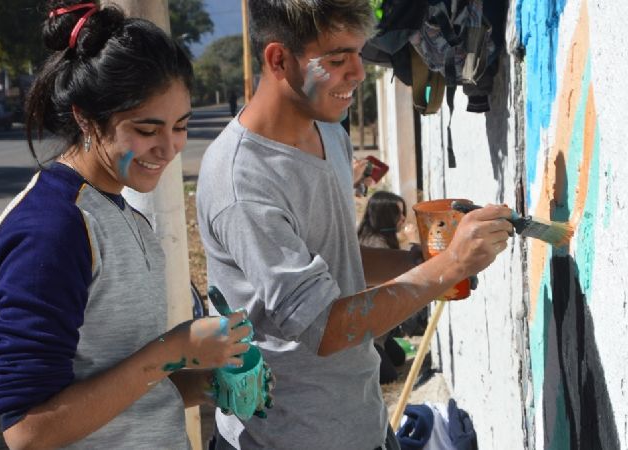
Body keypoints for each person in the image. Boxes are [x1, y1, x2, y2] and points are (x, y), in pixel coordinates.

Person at [196, 1, 514, 449]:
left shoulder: (328, 132)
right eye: (337, 58)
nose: (359, 73)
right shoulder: (242, 182)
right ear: (278, 59)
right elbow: (324, 327)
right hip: (287, 437)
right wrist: (449, 266)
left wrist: (416, 260)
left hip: (357, 418)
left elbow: (331, 257)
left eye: (359, 55)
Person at [0, 2, 251, 449]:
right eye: (146, 129)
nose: (169, 148)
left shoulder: (120, 212)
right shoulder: (51, 230)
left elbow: (126, 388)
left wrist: (203, 382)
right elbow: (27, 431)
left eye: (181, 126)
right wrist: (171, 350)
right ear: (86, 118)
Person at [357, 190, 428, 383]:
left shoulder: (377, 238)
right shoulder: (376, 245)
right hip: (364, 332)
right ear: (385, 216)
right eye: (399, 214)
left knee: (398, 357)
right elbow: (403, 281)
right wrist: (414, 242)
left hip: (378, 329)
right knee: (388, 377)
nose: (403, 219)